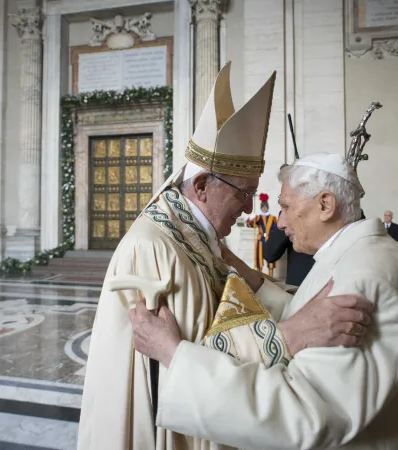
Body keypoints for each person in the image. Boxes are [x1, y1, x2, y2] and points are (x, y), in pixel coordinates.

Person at [77, 64, 370, 450]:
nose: (249, 208)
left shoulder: (197, 234)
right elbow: (176, 360)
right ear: (200, 185)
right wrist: (290, 335)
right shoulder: (155, 245)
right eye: (242, 193)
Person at [130, 152, 398, 450]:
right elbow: (309, 310)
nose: (280, 221)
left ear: (325, 205)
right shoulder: (366, 255)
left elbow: (305, 412)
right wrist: (249, 277)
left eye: (287, 206)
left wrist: (175, 356)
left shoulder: (362, 279)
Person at [246, 193, 278, 276]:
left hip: (270, 240)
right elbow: (251, 225)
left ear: (267, 207)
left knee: (270, 259)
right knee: (259, 260)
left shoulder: (273, 218)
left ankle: (271, 276)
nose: (264, 208)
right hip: (260, 240)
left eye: (265, 207)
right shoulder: (258, 217)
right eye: (263, 207)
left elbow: (276, 229)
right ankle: (259, 276)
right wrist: (250, 219)